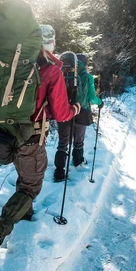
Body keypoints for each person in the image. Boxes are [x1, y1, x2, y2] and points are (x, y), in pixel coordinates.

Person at [0, 24, 80, 252]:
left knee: (25, 176)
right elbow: (61, 113)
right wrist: (74, 108)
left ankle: (26, 218)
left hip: (7, 133)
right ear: (49, 44)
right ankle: (0, 226)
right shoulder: (51, 71)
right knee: (31, 186)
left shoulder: (17, 65)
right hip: (31, 137)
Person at [54, 53, 103, 181]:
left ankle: (59, 172)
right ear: (84, 64)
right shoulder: (88, 77)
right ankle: (77, 161)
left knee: (63, 143)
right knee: (78, 141)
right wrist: (100, 102)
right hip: (81, 112)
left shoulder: (62, 74)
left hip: (64, 112)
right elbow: (92, 98)